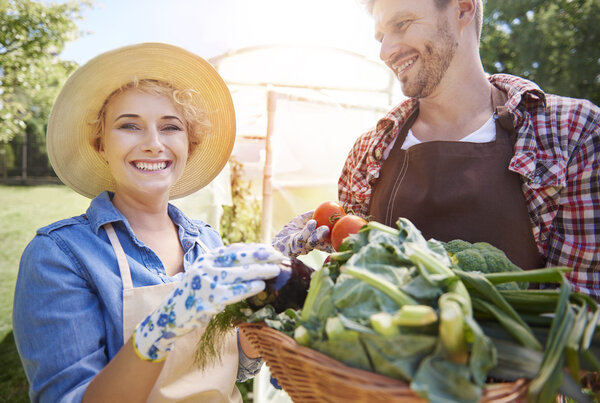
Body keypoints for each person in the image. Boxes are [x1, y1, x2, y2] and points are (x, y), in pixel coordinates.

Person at [12, 42, 286, 402]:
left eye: (170, 127)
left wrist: (276, 298)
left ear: (190, 143)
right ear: (101, 144)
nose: (154, 144)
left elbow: (225, 367)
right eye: (130, 126)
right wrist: (160, 329)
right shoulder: (60, 257)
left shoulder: (208, 242)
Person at [273, 0, 600, 300]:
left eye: (401, 24)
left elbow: (582, 311)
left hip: (517, 363)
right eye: (380, 36)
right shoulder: (368, 152)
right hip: (374, 362)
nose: (386, 51)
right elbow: (350, 289)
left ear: (462, 8)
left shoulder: (569, 134)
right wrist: (284, 275)